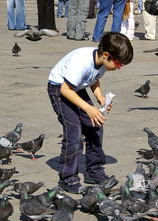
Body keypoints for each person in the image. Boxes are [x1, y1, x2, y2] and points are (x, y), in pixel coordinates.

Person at [47, 32, 134, 193]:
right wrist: (88, 108)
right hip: (59, 89)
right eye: (118, 64)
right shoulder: (82, 61)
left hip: (76, 88)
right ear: (106, 55)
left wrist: (100, 97)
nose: (119, 67)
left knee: (96, 125)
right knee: (74, 133)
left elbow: (94, 79)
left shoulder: (102, 61)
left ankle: (94, 171)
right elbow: (65, 90)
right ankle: (67, 178)